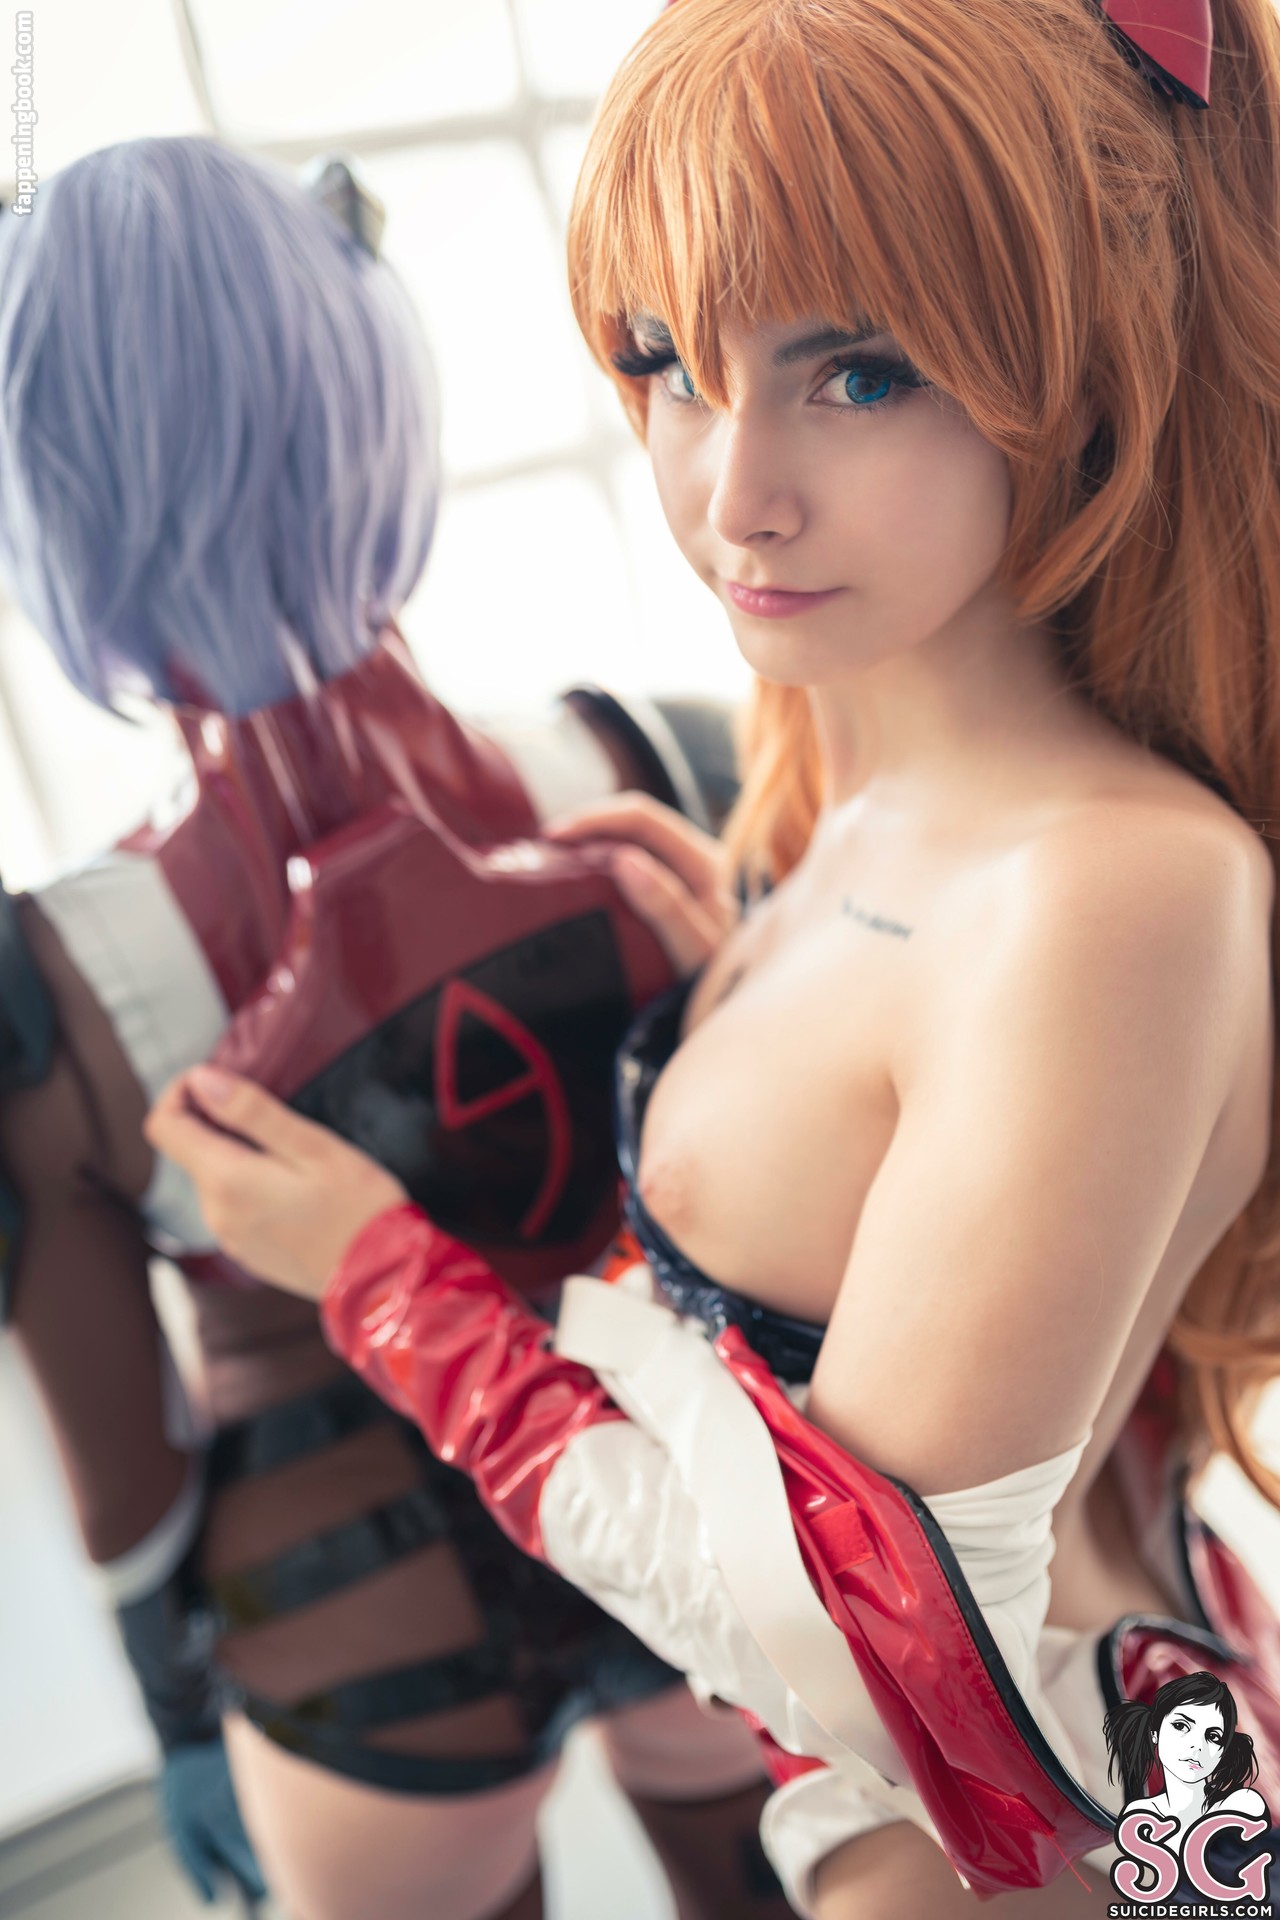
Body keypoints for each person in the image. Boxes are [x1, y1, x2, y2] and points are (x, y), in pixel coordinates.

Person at [142, 0, 1280, 1911]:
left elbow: (865, 1658)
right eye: (668, 360)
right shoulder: (864, 780)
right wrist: (735, 1005)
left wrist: (388, 1291)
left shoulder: (1114, 889)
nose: (731, 492)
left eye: (859, 374)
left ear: (1083, 368)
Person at [0, 136, 790, 1920]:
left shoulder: (51, 984)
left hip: (358, 1634)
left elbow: (130, 1477)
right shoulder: (642, 762)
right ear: (367, 384)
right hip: (680, 1509)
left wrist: (178, 1717)